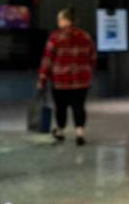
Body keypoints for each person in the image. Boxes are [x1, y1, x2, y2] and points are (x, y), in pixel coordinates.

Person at [37, 8, 96, 145]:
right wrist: (86, 71)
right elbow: (92, 57)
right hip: (81, 80)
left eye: (60, 19)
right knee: (79, 106)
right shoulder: (85, 36)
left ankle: (60, 131)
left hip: (60, 80)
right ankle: (80, 133)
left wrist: (42, 79)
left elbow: (47, 61)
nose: (58, 22)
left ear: (65, 20)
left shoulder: (55, 37)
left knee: (60, 106)